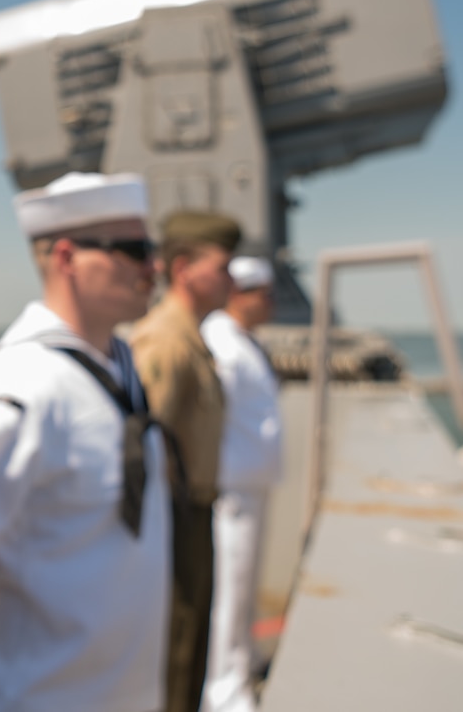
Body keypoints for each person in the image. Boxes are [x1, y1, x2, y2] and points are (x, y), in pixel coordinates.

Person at [0, 172, 171, 712]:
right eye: (134, 250)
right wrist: (13, 578)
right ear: (66, 258)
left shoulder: (118, 367)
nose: (151, 267)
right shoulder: (18, 388)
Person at [131, 210, 242, 712]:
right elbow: (141, 453)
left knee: (191, 651)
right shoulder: (168, 342)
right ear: (183, 270)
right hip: (173, 523)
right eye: (222, 266)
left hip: (192, 515)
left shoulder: (192, 338)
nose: (231, 279)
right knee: (175, 660)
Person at [200, 257, 285, 712]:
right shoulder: (221, 342)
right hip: (230, 491)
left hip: (251, 485)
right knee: (229, 592)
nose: (271, 304)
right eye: (265, 295)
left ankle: (243, 662)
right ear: (240, 294)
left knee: (245, 586)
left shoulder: (241, 341)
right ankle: (225, 690)